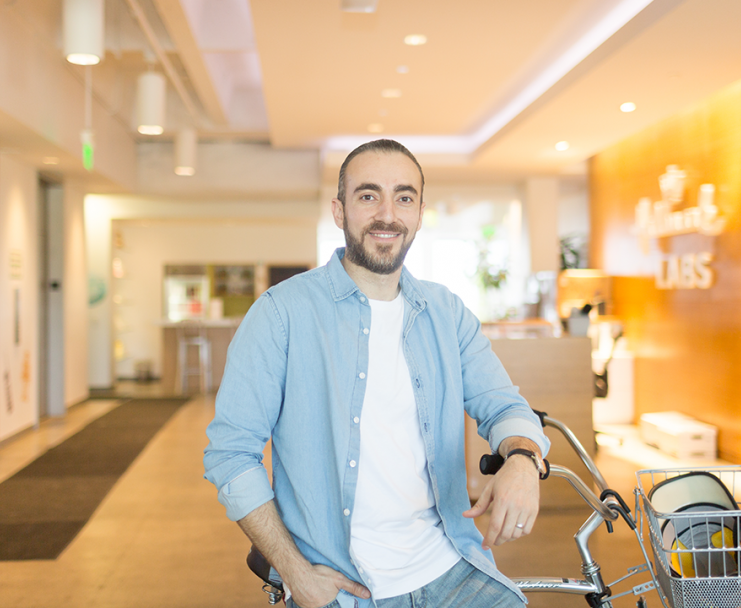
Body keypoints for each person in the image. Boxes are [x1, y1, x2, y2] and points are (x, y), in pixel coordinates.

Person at [204, 139, 550, 608]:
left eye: (403, 197)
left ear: (420, 213)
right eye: (368, 196)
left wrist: (525, 460)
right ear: (339, 210)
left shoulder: (445, 312)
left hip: (454, 569)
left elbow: (505, 405)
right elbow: (231, 455)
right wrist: (295, 574)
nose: (387, 214)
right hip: (343, 587)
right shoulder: (280, 314)